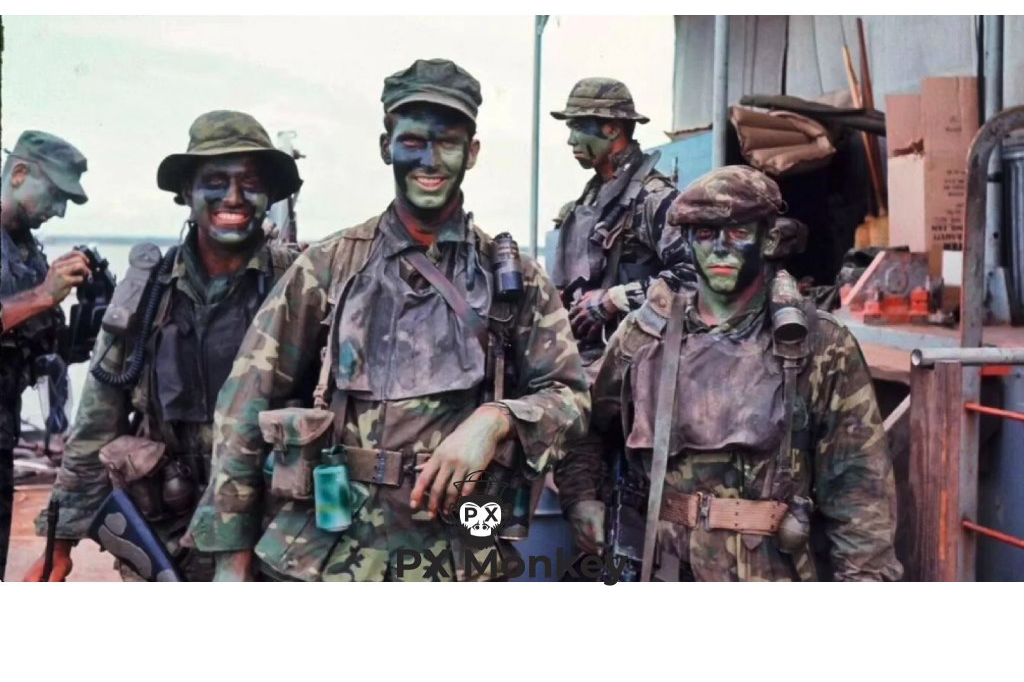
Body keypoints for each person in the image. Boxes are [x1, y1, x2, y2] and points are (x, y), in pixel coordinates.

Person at [189, 59, 590, 581]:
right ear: (386, 147)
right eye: (413, 141)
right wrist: (230, 560)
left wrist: (497, 419)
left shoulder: (513, 279)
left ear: (471, 153)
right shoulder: (329, 267)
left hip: (461, 553)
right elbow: (245, 405)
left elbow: (570, 397)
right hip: (334, 552)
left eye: (448, 143)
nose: (430, 160)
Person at [555, 166, 902, 581]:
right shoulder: (643, 337)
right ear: (687, 241)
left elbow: (859, 493)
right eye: (705, 234)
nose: (720, 248)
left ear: (768, 239)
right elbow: (585, 428)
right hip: (659, 568)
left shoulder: (819, 345)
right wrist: (581, 499)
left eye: (738, 233)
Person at [24, 111, 303, 581]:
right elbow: (96, 421)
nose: (234, 197)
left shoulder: (301, 285)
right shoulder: (146, 294)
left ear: (269, 196)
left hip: (274, 539)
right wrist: (61, 543)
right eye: (215, 181)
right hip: (168, 536)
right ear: (186, 194)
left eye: (251, 183)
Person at [548, 78, 694, 559]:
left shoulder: (654, 198)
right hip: (588, 380)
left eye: (579, 128)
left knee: (640, 524)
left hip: (644, 384)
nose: (570, 140)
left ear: (612, 128)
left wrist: (616, 298)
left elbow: (694, 278)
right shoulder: (585, 204)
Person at [0, 130, 90, 580]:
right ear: (19, 173)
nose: (59, 211)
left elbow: (41, 351)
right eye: (55, 195)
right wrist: (41, 295)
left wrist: (90, 316)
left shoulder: (25, 249)